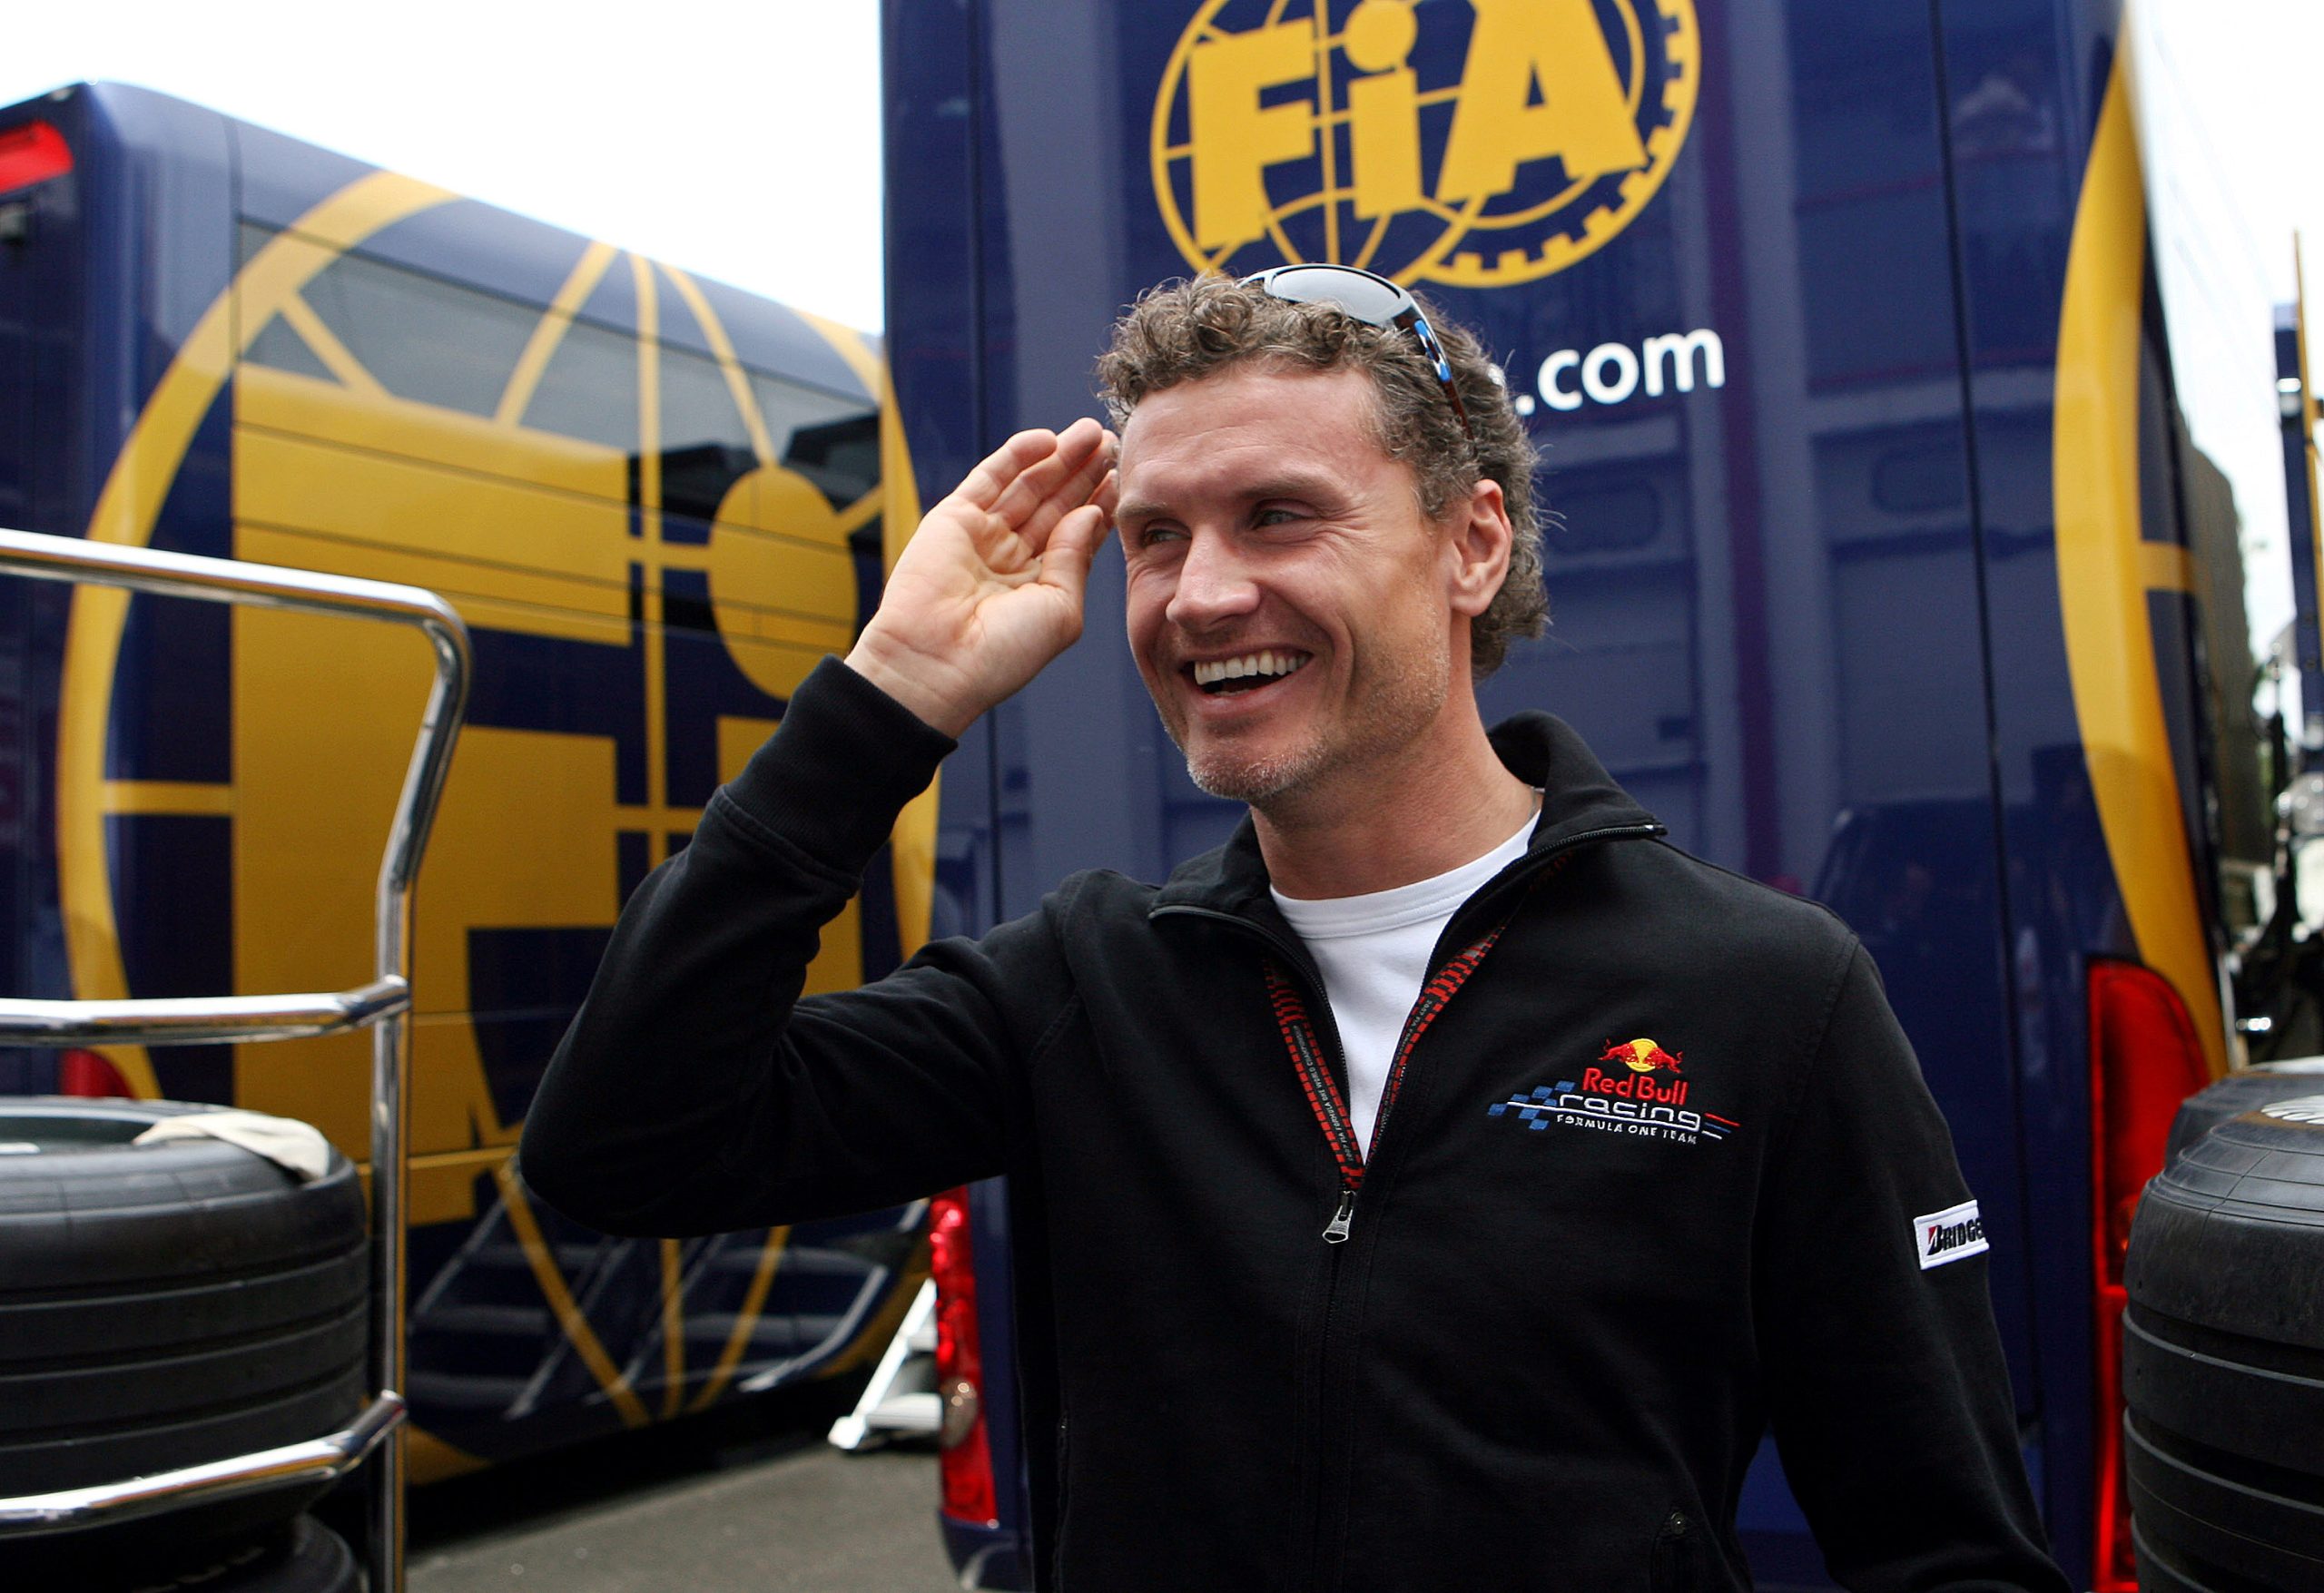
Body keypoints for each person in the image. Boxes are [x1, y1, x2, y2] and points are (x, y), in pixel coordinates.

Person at [519, 269, 2069, 1592]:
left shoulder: (1759, 993)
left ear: (1471, 546)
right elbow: (626, 1144)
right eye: (1155, 536)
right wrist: (889, 697)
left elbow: (1949, 1554)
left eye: (1278, 517)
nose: (1201, 595)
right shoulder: (1088, 979)